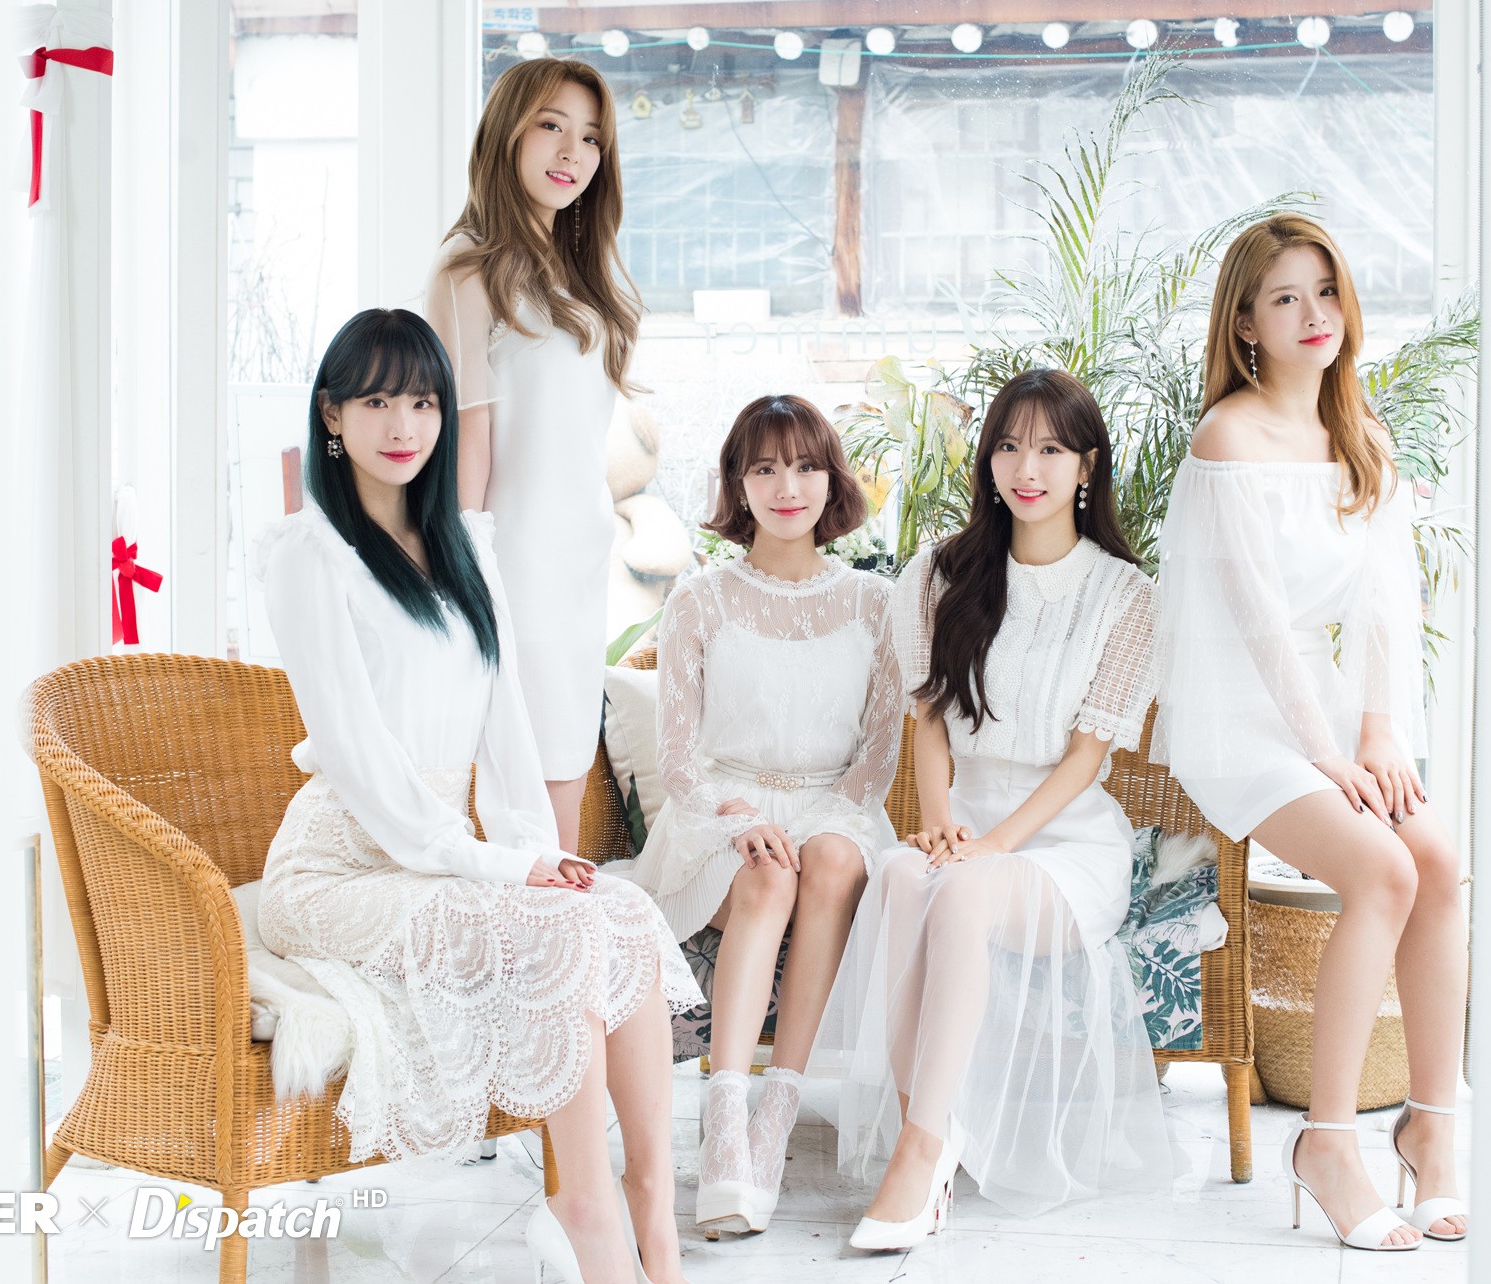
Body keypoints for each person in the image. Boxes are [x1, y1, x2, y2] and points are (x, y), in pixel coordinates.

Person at [254, 309, 699, 1283]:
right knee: (559, 927)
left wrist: (536, 852)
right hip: (341, 864)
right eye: (376, 400)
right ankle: (584, 1212)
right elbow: (357, 758)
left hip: (441, 851)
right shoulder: (308, 554)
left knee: (617, 910)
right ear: (331, 415)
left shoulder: (464, 544)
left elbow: (505, 733)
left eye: (422, 401)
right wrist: (497, 865)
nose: (402, 424)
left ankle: (653, 1220)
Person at [1148, 213, 1469, 1251]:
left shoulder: (1359, 434)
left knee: (1437, 860)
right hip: (1237, 714)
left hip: (1327, 711)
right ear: (1244, 321)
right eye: (1284, 297)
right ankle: (1328, 1142)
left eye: (1324, 290)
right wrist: (1324, 755)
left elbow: (1386, 603)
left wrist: (1377, 733)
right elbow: (1253, 621)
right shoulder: (1227, 437)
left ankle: (1431, 1124)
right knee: (1382, 869)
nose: (1313, 313)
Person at [819, 368, 1173, 1249]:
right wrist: (943, 824)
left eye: (1051, 448)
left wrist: (995, 846)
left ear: (1087, 465)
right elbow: (930, 721)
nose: (1027, 467)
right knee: (901, 876)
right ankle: (930, 1132)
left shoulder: (1127, 596)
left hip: (1065, 842)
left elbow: (1087, 755)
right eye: (1009, 446)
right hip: (965, 821)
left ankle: (918, 1153)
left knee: (963, 888)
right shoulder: (940, 574)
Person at [625, 395, 900, 1238]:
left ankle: (775, 1115)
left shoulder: (873, 603)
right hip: (721, 810)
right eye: (766, 467)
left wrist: (824, 821)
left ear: (833, 480)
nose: (789, 486)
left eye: (807, 466)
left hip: (834, 806)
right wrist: (733, 814)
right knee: (768, 870)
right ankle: (725, 1120)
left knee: (831, 859)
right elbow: (678, 759)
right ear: (738, 483)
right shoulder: (699, 599)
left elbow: (878, 756)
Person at [425, 56, 643, 851]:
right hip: (511, 559)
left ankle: (561, 923)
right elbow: (467, 440)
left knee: (565, 765)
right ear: (508, 132)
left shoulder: (584, 276)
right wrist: (463, 574)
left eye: (590, 137)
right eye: (551, 125)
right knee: (527, 794)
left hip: (581, 556)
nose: (571, 152)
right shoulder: (469, 269)